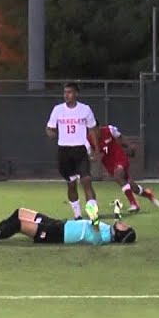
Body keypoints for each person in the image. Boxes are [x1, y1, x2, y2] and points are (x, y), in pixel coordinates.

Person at [46, 82, 99, 220]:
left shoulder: (85, 109)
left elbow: (92, 129)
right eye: (65, 92)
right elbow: (49, 127)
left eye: (69, 92)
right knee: (71, 184)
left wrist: (96, 149)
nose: (67, 95)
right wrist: (50, 132)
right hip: (64, 150)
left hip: (80, 149)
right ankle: (77, 215)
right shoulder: (58, 109)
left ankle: (94, 217)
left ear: (76, 94)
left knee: (86, 180)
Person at [0, 207, 136, 246]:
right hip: (59, 224)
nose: (124, 223)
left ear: (121, 234)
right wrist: (117, 213)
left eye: (125, 226)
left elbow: (96, 238)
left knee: (19, 224)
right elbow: (116, 221)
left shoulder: (105, 237)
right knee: (19, 212)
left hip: (56, 234)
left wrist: (95, 218)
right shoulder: (110, 229)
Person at [97, 123, 159, 213]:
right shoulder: (88, 139)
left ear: (99, 127)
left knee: (118, 175)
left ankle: (134, 203)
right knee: (131, 186)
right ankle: (148, 194)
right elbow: (92, 154)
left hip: (120, 158)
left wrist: (129, 146)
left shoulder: (109, 130)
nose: (95, 132)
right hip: (109, 164)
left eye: (96, 129)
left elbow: (120, 137)